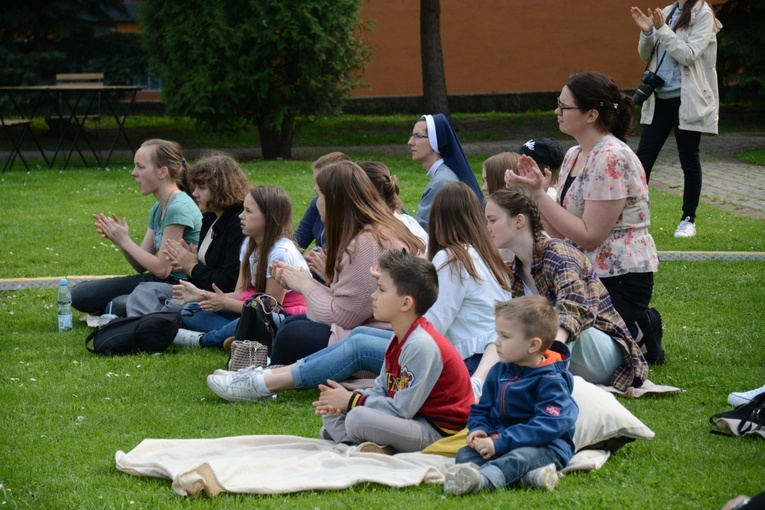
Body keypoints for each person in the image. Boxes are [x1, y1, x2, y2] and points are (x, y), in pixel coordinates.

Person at [205, 181, 510, 403]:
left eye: (319, 194)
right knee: (355, 339)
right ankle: (263, 377)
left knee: (354, 343)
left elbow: (431, 328)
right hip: (463, 359)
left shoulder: (452, 258)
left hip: (458, 363)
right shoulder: (480, 257)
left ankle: (261, 383)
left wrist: (388, 295)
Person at [505, 71, 664, 365]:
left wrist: (540, 196)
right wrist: (531, 194)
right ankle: (635, 327)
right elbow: (559, 230)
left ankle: (641, 325)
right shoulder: (574, 155)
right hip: (583, 274)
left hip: (620, 281)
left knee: (544, 333)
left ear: (591, 114)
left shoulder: (612, 157)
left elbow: (590, 235)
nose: (557, 112)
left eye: (564, 107)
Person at [485, 187, 648, 392]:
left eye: (492, 220)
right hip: (561, 351)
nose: (487, 228)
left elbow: (574, 309)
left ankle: (545, 385)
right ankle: (481, 384)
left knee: (545, 318)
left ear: (519, 221)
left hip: (610, 356)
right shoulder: (512, 271)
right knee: (509, 325)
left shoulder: (558, 253)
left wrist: (550, 353)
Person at [312, 249, 474, 454]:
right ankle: (357, 443)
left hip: (435, 430)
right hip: (411, 418)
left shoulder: (421, 345)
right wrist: (344, 399)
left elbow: (402, 409)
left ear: (406, 303)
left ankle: (357, 440)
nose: (373, 296)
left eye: (381, 289)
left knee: (355, 417)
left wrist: (352, 401)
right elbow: (382, 389)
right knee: (333, 411)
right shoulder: (398, 337)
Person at [263, 161, 425, 365]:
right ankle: (271, 367)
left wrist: (305, 284)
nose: (315, 203)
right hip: (384, 333)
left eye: (318, 195)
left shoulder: (367, 242)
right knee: (291, 324)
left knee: (292, 335)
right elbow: (351, 303)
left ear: (333, 201)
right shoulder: (374, 232)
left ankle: (270, 373)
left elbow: (343, 316)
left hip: (384, 341)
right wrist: (302, 281)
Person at [444, 296, 577, 495]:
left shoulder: (552, 381)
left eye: (505, 337)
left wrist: (499, 442)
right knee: (465, 454)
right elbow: (483, 408)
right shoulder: (499, 371)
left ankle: (484, 481)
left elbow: (545, 427)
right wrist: (480, 429)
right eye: (497, 335)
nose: (496, 343)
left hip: (546, 447)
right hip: (502, 441)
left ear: (533, 345)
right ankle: (531, 477)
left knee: (520, 457)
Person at [71, 139, 202, 317]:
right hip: (157, 281)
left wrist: (126, 240)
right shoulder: (159, 207)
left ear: (162, 172)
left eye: (140, 167)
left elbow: (163, 270)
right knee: (80, 294)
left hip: (179, 287)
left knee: (117, 304)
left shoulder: (178, 207)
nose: (134, 173)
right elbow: (140, 266)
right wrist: (120, 240)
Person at [172, 186, 308, 348]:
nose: (241, 216)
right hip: (253, 308)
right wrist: (202, 295)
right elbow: (240, 293)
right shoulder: (249, 244)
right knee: (192, 310)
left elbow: (270, 312)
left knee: (255, 323)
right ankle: (240, 334)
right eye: (243, 210)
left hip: (285, 316)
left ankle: (206, 340)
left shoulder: (279, 254)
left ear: (268, 217)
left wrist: (224, 303)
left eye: (249, 211)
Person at [631, 1, 722, 238]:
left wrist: (662, 30)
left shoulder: (703, 14)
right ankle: (635, 216)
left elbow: (689, 55)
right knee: (642, 161)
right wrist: (648, 32)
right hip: (659, 98)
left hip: (687, 99)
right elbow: (647, 56)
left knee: (688, 160)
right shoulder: (668, 11)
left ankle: (688, 220)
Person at [124, 153, 249, 316]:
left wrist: (192, 267)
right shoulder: (211, 217)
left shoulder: (237, 224)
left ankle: (156, 326)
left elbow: (228, 283)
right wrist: (188, 261)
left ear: (222, 189)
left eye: (202, 188)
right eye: (195, 186)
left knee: (160, 306)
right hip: (196, 292)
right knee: (137, 297)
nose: (195, 193)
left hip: (220, 300)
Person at [409, 114, 483, 228]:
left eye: (418, 136)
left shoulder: (441, 182)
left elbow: (420, 231)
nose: (410, 142)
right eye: (412, 136)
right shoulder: (444, 175)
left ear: (436, 140)